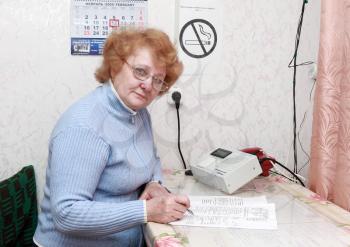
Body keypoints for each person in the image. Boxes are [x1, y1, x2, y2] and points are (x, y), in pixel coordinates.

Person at [33, 28, 190, 247]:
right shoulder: (84, 125)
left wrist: (154, 183)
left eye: (158, 80)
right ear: (116, 66)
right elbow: (66, 214)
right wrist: (146, 210)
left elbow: (150, 158)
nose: (147, 85)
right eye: (140, 71)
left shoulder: (138, 112)